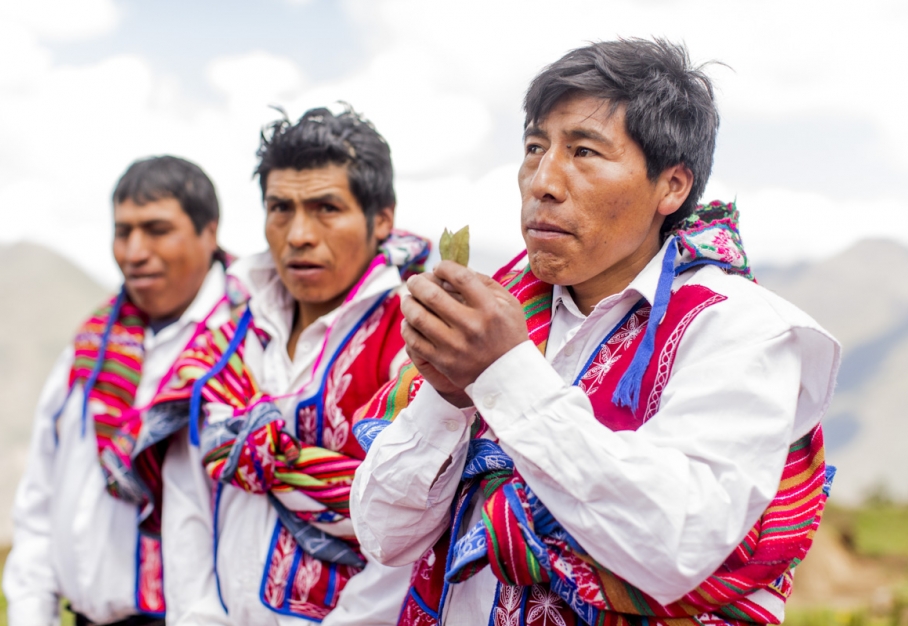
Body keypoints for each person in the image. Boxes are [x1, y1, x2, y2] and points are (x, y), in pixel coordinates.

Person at [351, 39, 841, 626]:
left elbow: (676, 545)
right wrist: (450, 396)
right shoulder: (500, 313)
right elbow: (384, 536)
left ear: (672, 187)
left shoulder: (740, 329)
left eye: (584, 151)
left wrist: (504, 374)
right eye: (535, 148)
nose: (543, 181)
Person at [147, 106, 425, 625]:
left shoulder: (416, 337)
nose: (298, 234)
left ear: (381, 218)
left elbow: (417, 523)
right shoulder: (225, 338)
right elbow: (187, 495)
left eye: (326, 208)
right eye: (280, 208)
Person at [5, 156, 229, 626]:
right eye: (123, 231)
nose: (134, 251)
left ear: (209, 231)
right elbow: (41, 496)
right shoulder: (91, 347)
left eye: (156, 229)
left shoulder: (242, 344)